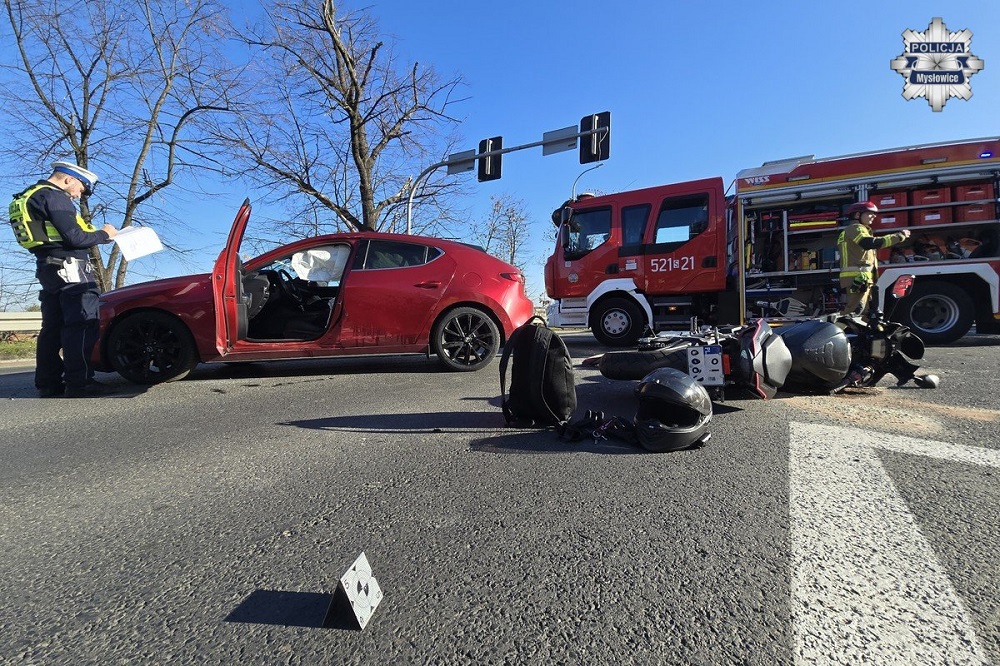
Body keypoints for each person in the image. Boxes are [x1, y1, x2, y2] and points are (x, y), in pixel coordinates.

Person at [9, 161, 118, 398]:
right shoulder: (55, 197)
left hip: (48, 266)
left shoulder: (31, 195)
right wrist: (104, 234)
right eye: (81, 188)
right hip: (71, 268)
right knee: (81, 323)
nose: (79, 195)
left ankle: (48, 383)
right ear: (69, 179)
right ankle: (80, 383)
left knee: (53, 328)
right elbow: (74, 237)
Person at [837, 201, 910, 316]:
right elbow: (869, 243)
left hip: (859, 278)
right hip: (858, 277)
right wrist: (899, 236)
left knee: (864, 313)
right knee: (855, 312)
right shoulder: (856, 228)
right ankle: (843, 331)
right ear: (857, 215)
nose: (874, 216)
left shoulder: (854, 230)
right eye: (869, 213)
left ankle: (859, 332)